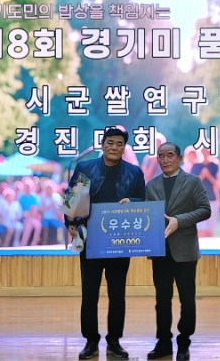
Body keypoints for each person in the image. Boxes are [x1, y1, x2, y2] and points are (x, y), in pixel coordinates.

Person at [65, 127, 146, 360]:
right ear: (102, 145)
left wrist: (132, 201)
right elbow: (71, 199)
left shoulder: (134, 172)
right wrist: (69, 223)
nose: (114, 147)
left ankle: (114, 342)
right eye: (110, 142)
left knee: (117, 294)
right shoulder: (85, 168)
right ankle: (91, 342)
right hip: (91, 239)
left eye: (119, 144)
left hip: (120, 241)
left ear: (124, 148)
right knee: (89, 293)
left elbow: (144, 200)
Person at [144, 142, 211, 361]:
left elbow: (205, 210)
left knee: (187, 299)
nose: (165, 160)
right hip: (159, 250)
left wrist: (179, 220)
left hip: (185, 250)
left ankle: (184, 342)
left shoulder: (193, 181)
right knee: (162, 300)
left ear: (179, 158)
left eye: (170, 155)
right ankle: (163, 342)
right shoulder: (151, 185)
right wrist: (130, 205)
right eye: (161, 156)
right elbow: (146, 212)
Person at [190, 147, 220, 237]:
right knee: (200, 229)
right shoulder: (196, 166)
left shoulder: (214, 165)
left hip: (212, 199)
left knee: (210, 230)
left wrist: (209, 176)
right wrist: (202, 176)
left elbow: (218, 184)